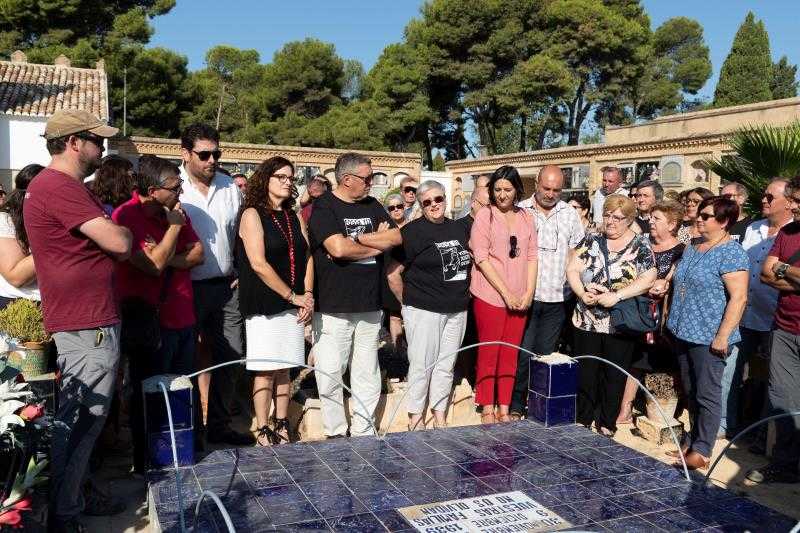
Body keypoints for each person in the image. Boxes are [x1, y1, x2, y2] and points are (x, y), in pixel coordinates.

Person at [24, 109, 132, 531]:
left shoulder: (52, 186)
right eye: (96, 140)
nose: (101, 148)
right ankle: (65, 514)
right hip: (87, 322)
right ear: (73, 142)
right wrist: (121, 233)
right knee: (83, 422)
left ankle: (74, 499)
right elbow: (118, 242)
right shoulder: (60, 186)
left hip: (84, 320)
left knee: (81, 420)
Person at [112, 156, 203, 474]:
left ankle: (183, 452)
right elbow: (151, 266)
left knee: (183, 390)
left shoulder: (174, 212)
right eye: (175, 187)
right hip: (151, 322)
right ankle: (148, 461)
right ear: (153, 191)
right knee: (149, 394)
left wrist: (165, 252)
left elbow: (198, 254)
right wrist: (174, 231)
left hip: (183, 315)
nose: (181, 192)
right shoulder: (126, 216)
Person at [308, 152, 401, 437]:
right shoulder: (324, 206)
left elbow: (396, 237)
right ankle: (335, 430)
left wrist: (358, 240)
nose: (372, 182)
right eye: (368, 178)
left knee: (367, 370)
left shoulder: (373, 205)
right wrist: (376, 243)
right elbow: (337, 249)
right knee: (331, 370)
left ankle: (364, 429)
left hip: (370, 303)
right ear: (347, 179)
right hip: (333, 304)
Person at [178, 123, 254, 446]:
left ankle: (219, 425)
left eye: (216, 154)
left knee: (231, 356)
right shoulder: (175, 186)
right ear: (186, 153)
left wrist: (239, 270)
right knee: (187, 360)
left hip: (226, 287)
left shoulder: (229, 187)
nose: (212, 160)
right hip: (186, 288)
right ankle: (193, 429)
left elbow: (239, 233)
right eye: (204, 154)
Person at [236, 156, 313, 446]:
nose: (287, 182)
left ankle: (281, 422)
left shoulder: (294, 216)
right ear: (265, 179)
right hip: (265, 302)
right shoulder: (252, 214)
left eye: (291, 178)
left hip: (294, 302)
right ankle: (263, 427)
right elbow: (258, 263)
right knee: (266, 369)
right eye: (281, 176)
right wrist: (293, 296)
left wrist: (308, 295)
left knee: (285, 368)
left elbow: (307, 256)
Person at [667, 196, 749, 470]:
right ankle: (693, 440)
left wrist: (723, 336)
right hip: (683, 331)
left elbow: (739, 298)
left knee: (707, 393)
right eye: (699, 214)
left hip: (709, 335)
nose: (699, 219)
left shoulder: (731, 253)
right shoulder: (694, 246)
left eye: (706, 216)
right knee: (690, 390)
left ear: (724, 222)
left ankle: (702, 450)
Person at [566, 194, 656, 436]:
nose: (611, 221)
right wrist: (581, 292)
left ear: (629, 220)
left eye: (617, 217)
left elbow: (648, 278)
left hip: (619, 323)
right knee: (586, 373)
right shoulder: (592, 239)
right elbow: (572, 268)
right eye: (607, 215)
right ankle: (583, 419)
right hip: (586, 320)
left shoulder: (640, 245)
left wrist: (617, 296)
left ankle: (607, 423)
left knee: (614, 375)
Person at [387, 181, 472, 430]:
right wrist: (407, 305)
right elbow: (393, 274)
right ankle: (415, 417)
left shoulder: (458, 228)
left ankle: (439, 414)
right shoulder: (413, 232)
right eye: (427, 202)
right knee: (422, 365)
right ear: (421, 206)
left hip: (456, 309)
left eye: (438, 199)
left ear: (445, 198)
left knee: (446, 365)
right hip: (423, 309)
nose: (434, 205)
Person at [510, 166, 584, 419]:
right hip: (526, 297)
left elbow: (577, 251)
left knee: (544, 356)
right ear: (537, 183)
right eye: (546, 188)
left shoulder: (569, 214)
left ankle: (537, 405)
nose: (551, 194)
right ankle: (516, 404)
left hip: (557, 298)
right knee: (522, 354)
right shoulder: (520, 211)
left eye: (556, 190)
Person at [470, 165, 538, 424]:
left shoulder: (526, 217)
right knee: (490, 352)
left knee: (510, 354)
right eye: (497, 189)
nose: (502, 195)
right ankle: (488, 406)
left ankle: (505, 407)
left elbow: (532, 256)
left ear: (517, 190)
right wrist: (506, 293)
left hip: (520, 298)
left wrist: (528, 292)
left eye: (507, 189)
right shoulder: (484, 216)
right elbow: (481, 258)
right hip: (490, 296)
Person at [748, 177, 800, 484]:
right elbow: (766, 273)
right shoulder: (787, 233)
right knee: (783, 397)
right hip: (783, 328)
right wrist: (790, 273)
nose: (793, 206)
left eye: (798, 201)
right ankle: (785, 463)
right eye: (792, 199)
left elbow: (776, 270)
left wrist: (783, 269)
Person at [734, 179, 791, 447]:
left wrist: (779, 273)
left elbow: (775, 275)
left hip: (775, 319)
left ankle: (764, 437)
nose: (764, 200)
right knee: (733, 372)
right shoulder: (753, 228)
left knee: (773, 382)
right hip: (744, 314)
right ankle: (728, 424)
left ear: (788, 202)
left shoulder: (792, 234)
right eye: (764, 195)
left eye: (770, 197)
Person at [617, 201, 685, 424]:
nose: (651, 222)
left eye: (657, 219)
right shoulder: (641, 244)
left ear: (672, 224)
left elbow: (678, 280)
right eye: (651, 218)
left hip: (664, 317)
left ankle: (668, 408)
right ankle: (626, 408)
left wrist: (666, 285)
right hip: (637, 313)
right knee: (634, 359)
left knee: (669, 361)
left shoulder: (682, 251)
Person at [0, 164, 43, 310]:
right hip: (19, 304)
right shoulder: (5, 220)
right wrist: (55, 237)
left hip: (56, 301)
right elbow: (16, 277)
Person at [382, 193, 408, 351]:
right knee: (395, 315)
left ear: (404, 207)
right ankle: (398, 353)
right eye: (392, 208)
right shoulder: (385, 230)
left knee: (413, 316)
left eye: (399, 206)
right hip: (391, 275)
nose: (396, 210)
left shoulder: (413, 226)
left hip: (411, 276)